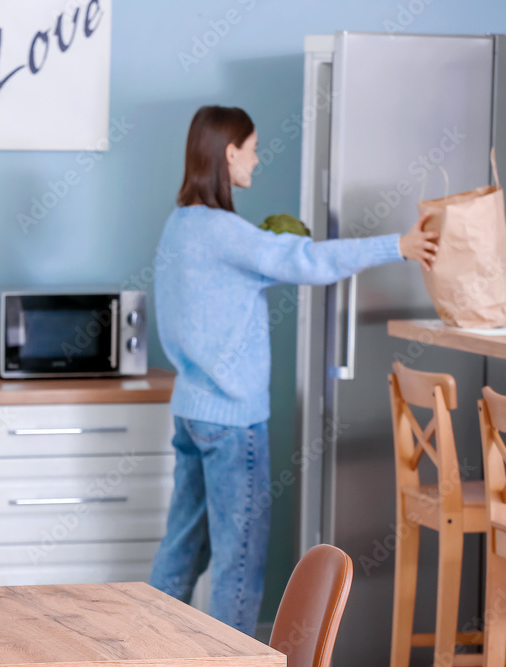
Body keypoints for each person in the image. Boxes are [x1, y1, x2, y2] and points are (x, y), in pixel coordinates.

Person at [148, 105, 438, 635]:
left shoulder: (180, 226)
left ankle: (143, 648)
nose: (257, 160)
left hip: (192, 411)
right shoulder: (224, 231)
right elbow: (306, 261)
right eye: (253, 149)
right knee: (240, 563)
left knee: (182, 549)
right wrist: (398, 245)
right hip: (234, 422)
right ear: (229, 152)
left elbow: (229, 291)